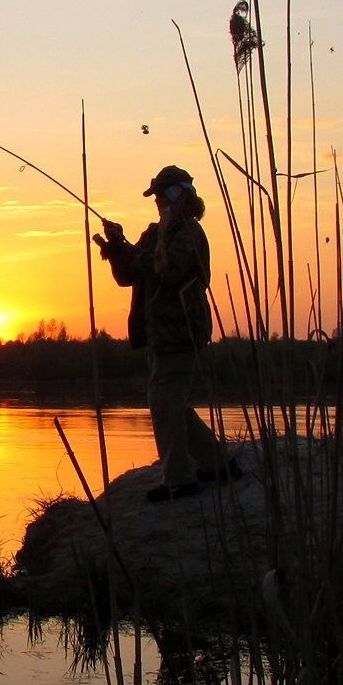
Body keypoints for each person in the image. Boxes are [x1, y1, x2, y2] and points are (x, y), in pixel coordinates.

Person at [95, 164, 240, 502]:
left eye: (162, 194)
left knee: (164, 403)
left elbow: (168, 270)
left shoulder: (189, 233)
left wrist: (134, 250)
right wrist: (118, 245)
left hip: (183, 334)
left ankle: (180, 481)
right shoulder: (153, 233)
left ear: (178, 195)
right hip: (160, 337)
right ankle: (217, 466)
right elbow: (128, 275)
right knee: (171, 404)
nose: (157, 201)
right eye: (156, 196)